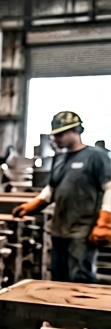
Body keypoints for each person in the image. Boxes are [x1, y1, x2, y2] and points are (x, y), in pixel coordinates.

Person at [13, 111, 111, 283]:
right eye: (55, 135)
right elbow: (52, 188)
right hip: (59, 229)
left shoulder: (96, 156)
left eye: (61, 134)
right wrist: (33, 204)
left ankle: (81, 310)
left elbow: (109, 188)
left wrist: (104, 222)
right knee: (59, 279)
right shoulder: (59, 159)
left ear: (76, 131)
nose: (56, 139)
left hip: (82, 231)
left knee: (80, 279)